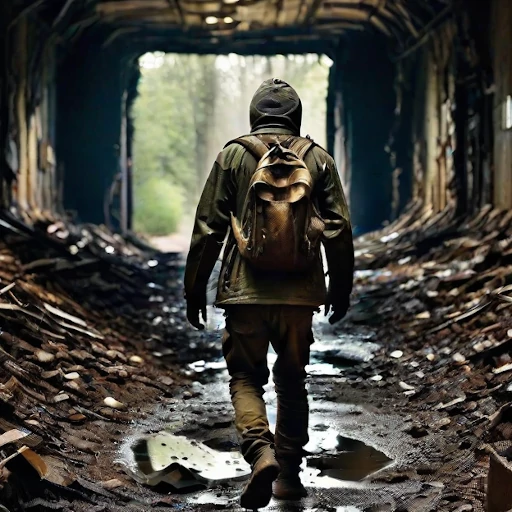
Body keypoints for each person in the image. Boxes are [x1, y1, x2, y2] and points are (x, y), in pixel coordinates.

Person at [184, 78, 354, 509]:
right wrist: (340, 286)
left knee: (245, 377)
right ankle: (289, 473)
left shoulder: (233, 155)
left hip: (245, 293)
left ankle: (260, 454)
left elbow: (208, 228)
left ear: (254, 116)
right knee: (293, 379)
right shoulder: (317, 159)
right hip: (299, 296)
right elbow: (339, 229)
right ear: (296, 117)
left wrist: (194, 288)